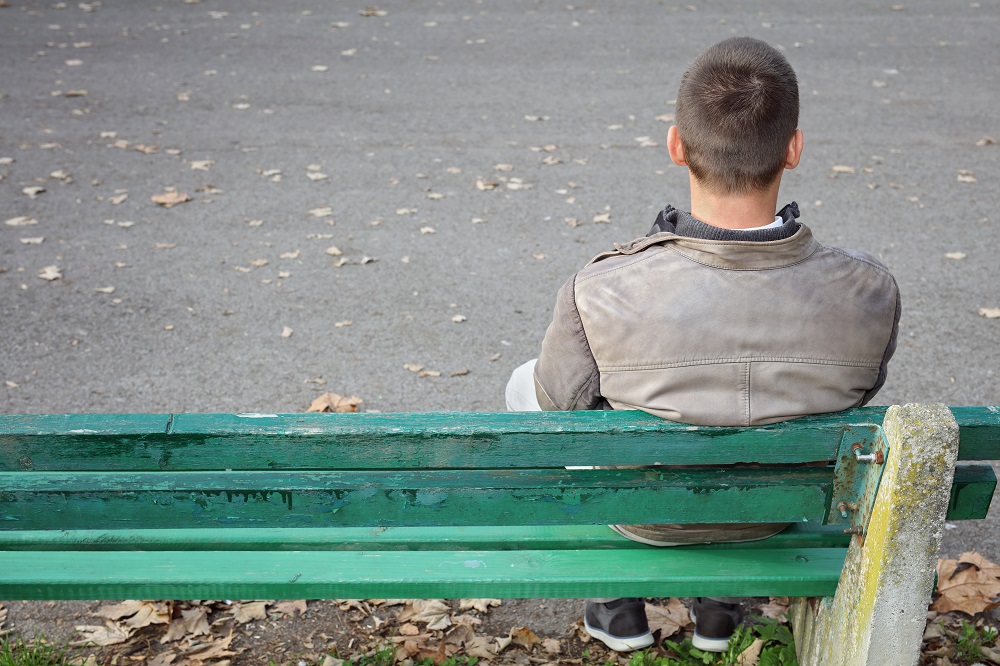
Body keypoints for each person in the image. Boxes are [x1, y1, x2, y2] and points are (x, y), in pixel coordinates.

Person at [505, 36, 901, 653]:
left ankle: (615, 602)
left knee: (528, 386)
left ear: (676, 145)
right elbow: (858, 393)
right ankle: (720, 607)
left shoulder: (601, 290)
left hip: (644, 516)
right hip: (774, 513)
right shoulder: (868, 290)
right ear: (793, 148)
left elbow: (558, 413)